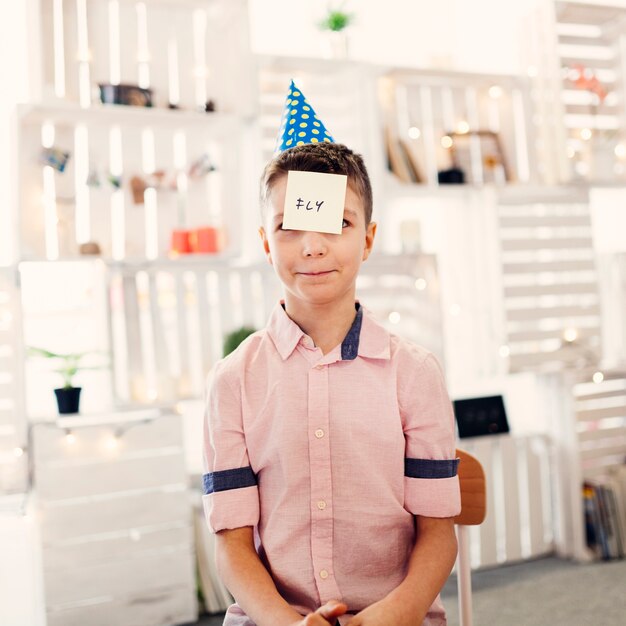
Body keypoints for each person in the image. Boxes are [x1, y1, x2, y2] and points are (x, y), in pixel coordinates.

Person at [202, 83, 461, 626]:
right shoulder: (233, 380)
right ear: (265, 241)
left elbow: (439, 535)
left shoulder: (413, 373)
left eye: (336, 224)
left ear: (367, 240)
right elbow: (232, 543)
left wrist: (384, 618)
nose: (313, 247)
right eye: (290, 228)